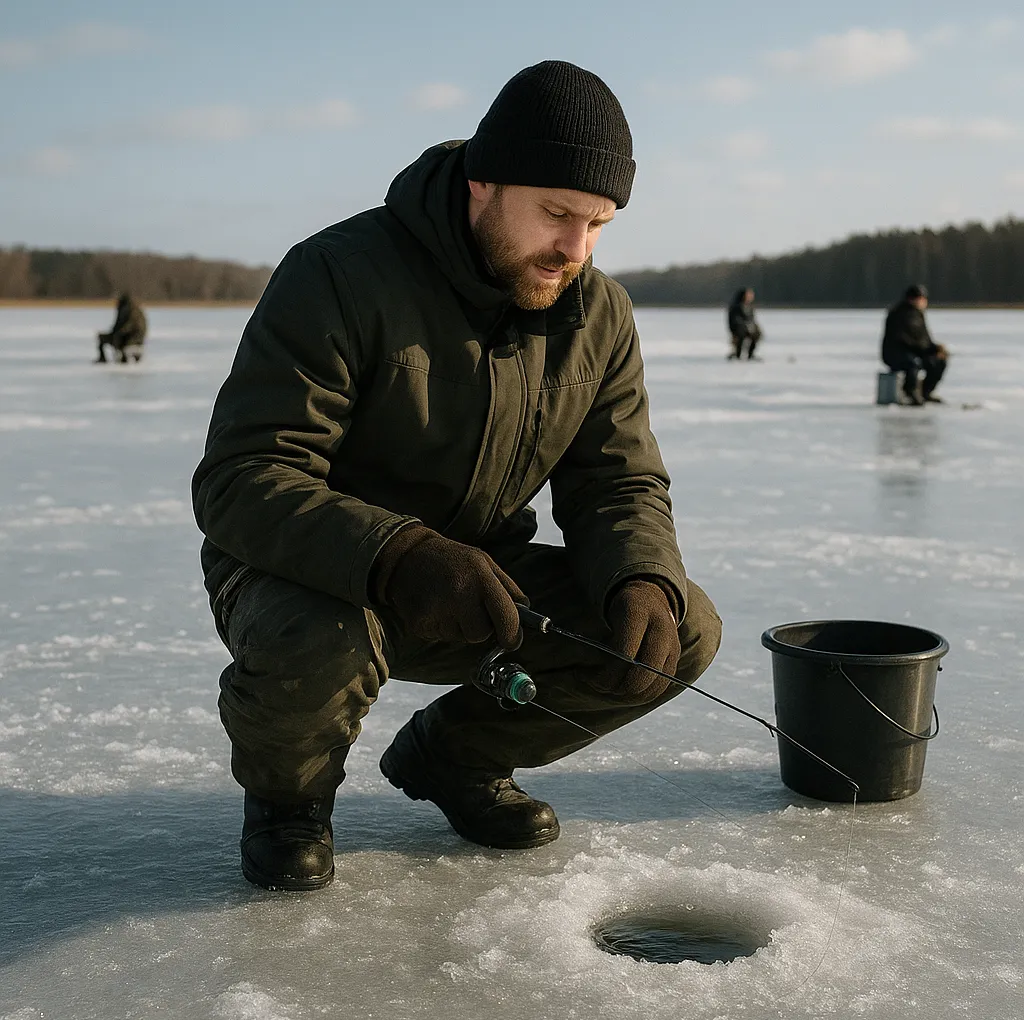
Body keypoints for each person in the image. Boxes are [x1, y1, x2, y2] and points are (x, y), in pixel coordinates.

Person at [192, 60, 722, 892]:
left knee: (678, 631)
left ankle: (457, 758)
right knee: (323, 637)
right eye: (555, 214)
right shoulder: (338, 274)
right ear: (482, 182)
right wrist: (396, 553)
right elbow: (242, 475)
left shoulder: (598, 314)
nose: (575, 249)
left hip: (481, 584)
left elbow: (618, 484)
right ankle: (289, 802)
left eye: (599, 224)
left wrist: (640, 575)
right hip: (309, 575)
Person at [881, 284, 948, 405]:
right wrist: (923, 350)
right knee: (912, 363)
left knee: (938, 362)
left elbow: (925, 339)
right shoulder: (898, 314)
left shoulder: (918, 314)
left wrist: (935, 349)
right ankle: (910, 393)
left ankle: (925, 392)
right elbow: (901, 339)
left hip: (915, 351)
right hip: (896, 353)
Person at [96, 293, 147, 363]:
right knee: (103, 337)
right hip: (128, 335)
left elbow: (131, 326)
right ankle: (103, 359)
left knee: (119, 340)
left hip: (133, 337)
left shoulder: (130, 310)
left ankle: (124, 359)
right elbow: (118, 326)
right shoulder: (124, 309)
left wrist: (119, 333)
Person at [727, 287, 761, 360]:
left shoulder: (749, 306)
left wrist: (754, 328)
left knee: (756, 335)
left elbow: (751, 319)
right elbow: (735, 320)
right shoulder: (736, 306)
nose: (751, 297)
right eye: (749, 295)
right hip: (738, 329)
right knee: (740, 337)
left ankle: (750, 354)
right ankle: (737, 355)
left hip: (748, 328)